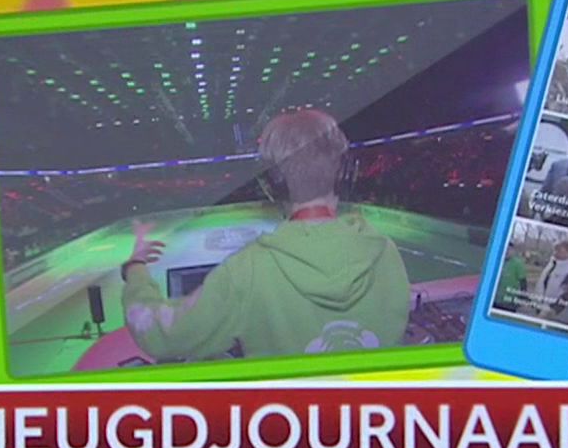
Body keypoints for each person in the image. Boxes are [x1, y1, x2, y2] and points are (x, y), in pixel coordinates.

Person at [118, 108, 410, 361]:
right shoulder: (384, 251)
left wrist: (135, 269)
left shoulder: (246, 272)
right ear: (346, 172)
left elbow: (162, 335)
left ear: (271, 185)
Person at [534, 240, 568, 327]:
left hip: (564, 320)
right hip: (546, 315)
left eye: (559, 250)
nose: (555, 253)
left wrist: (551, 310)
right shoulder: (553, 265)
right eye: (555, 250)